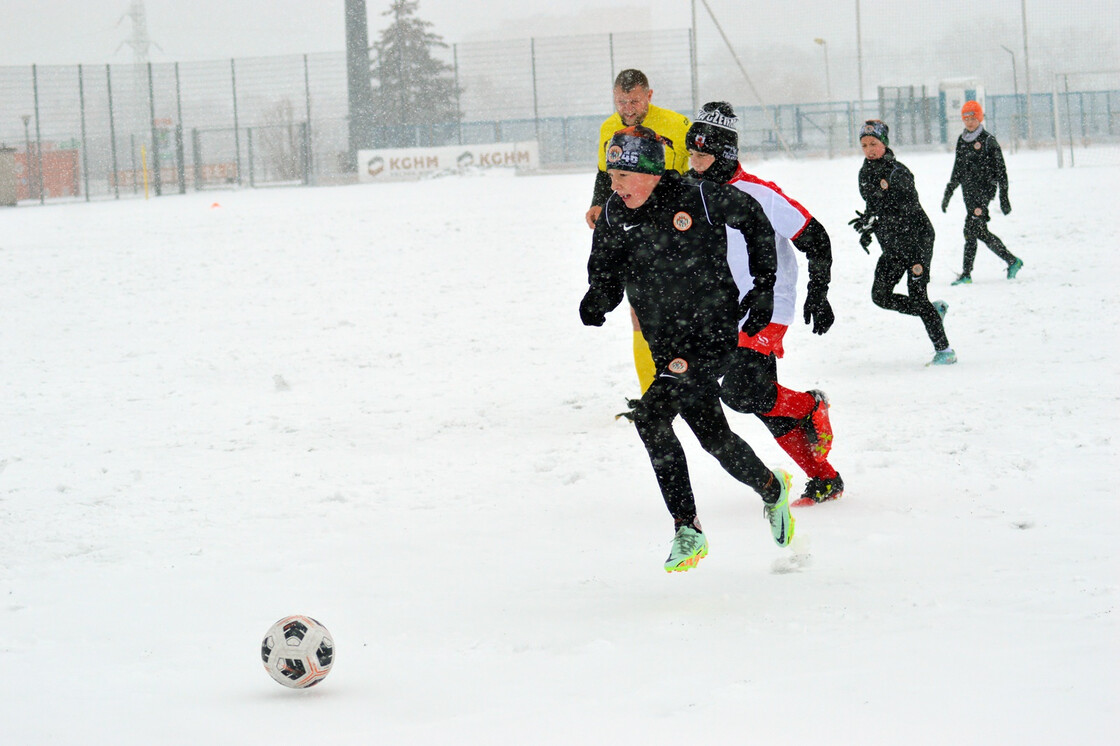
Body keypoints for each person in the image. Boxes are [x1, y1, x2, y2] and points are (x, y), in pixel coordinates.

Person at [579, 125, 795, 573]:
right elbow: (605, 266)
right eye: (611, 177)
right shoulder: (617, 213)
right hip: (665, 342)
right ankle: (772, 489)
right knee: (716, 439)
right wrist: (597, 297)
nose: (614, 186)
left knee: (651, 416)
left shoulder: (697, 197)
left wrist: (763, 289)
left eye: (622, 176)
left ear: (652, 172)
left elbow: (755, 220)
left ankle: (687, 528)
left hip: (710, 334)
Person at [684, 101, 843, 505]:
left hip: (769, 303)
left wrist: (818, 293)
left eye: (702, 154)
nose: (694, 162)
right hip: (722, 312)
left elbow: (816, 238)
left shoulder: (758, 193)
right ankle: (825, 478)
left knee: (739, 392)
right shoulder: (691, 193)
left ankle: (810, 405)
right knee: (763, 402)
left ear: (725, 155)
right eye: (691, 153)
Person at [584, 69, 692, 395]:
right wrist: (597, 203)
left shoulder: (678, 125)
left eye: (633, 101)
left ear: (649, 95)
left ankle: (688, 382)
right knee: (640, 313)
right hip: (634, 231)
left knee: (684, 310)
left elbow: (700, 170)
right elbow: (606, 174)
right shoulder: (608, 128)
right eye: (620, 101)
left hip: (677, 229)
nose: (627, 108)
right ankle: (652, 394)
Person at [850, 120, 957, 366]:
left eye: (874, 144)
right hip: (893, 245)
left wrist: (879, 219)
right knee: (880, 296)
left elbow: (907, 209)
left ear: (884, 144)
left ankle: (945, 351)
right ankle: (932, 311)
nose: (869, 149)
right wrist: (867, 225)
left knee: (917, 296)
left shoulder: (899, 172)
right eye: (864, 145)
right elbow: (873, 206)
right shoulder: (865, 173)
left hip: (917, 239)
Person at [941, 100, 1023, 284]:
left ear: (980, 117)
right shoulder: (962, 140)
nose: (969, 121)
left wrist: (1004, 197)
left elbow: (1001, 171)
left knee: (970, 230)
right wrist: (949, 191)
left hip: (983, 194)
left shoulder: (988, 141)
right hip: (968, 193)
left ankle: (966, 274)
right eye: (966, 118)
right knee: (979, 232)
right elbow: (958, 169)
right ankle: (1012, 261)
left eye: (973, 117)